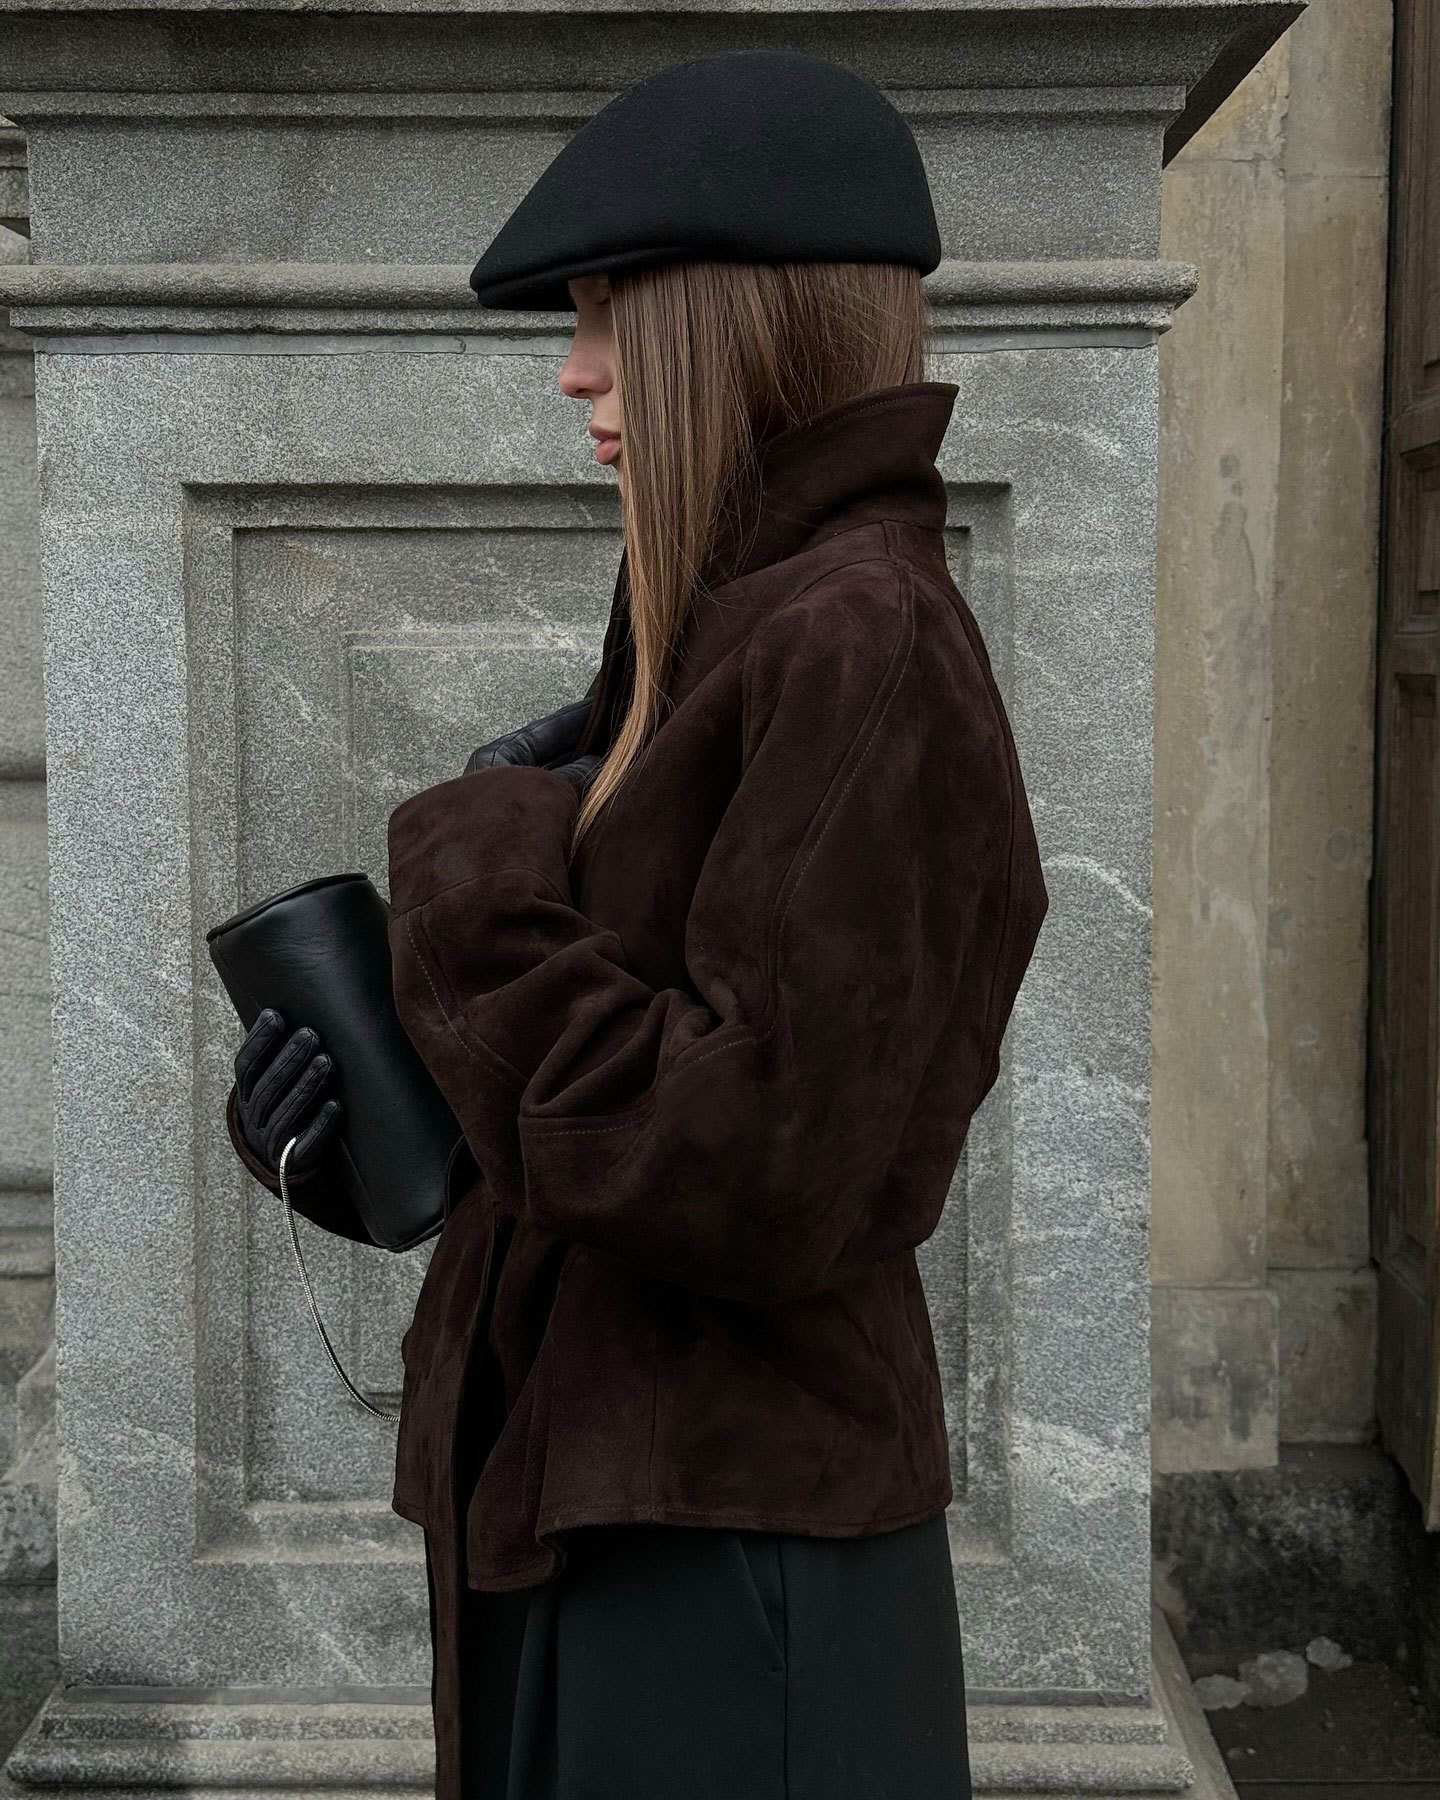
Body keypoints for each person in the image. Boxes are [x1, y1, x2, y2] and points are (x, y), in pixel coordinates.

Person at [224, 47, 1048, 1800]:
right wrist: (377, 1129)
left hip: (732, 1563)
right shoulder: (734, 615)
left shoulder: (863, 639)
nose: (575, 370)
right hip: (614, 1514)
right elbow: (650, 1088)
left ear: (736, 319)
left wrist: (478, 875)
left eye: (611, 314)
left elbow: (761, 1170)